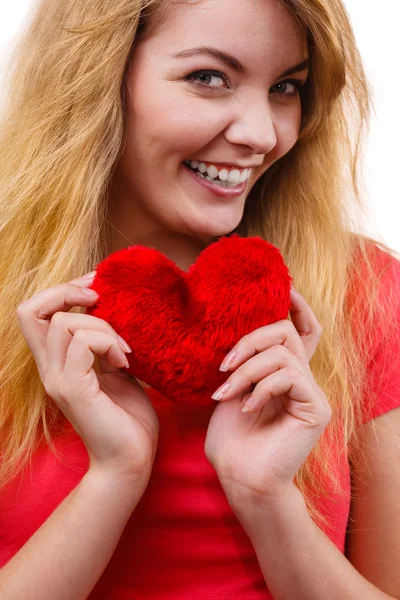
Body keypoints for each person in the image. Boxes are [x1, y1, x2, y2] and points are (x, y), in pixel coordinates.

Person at [0, 0, 399, 598]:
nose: (262, 134)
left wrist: (265, 498)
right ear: (98, 79)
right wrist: (116, 475)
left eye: (287, 87)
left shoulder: (367, 292)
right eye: (208, 78)